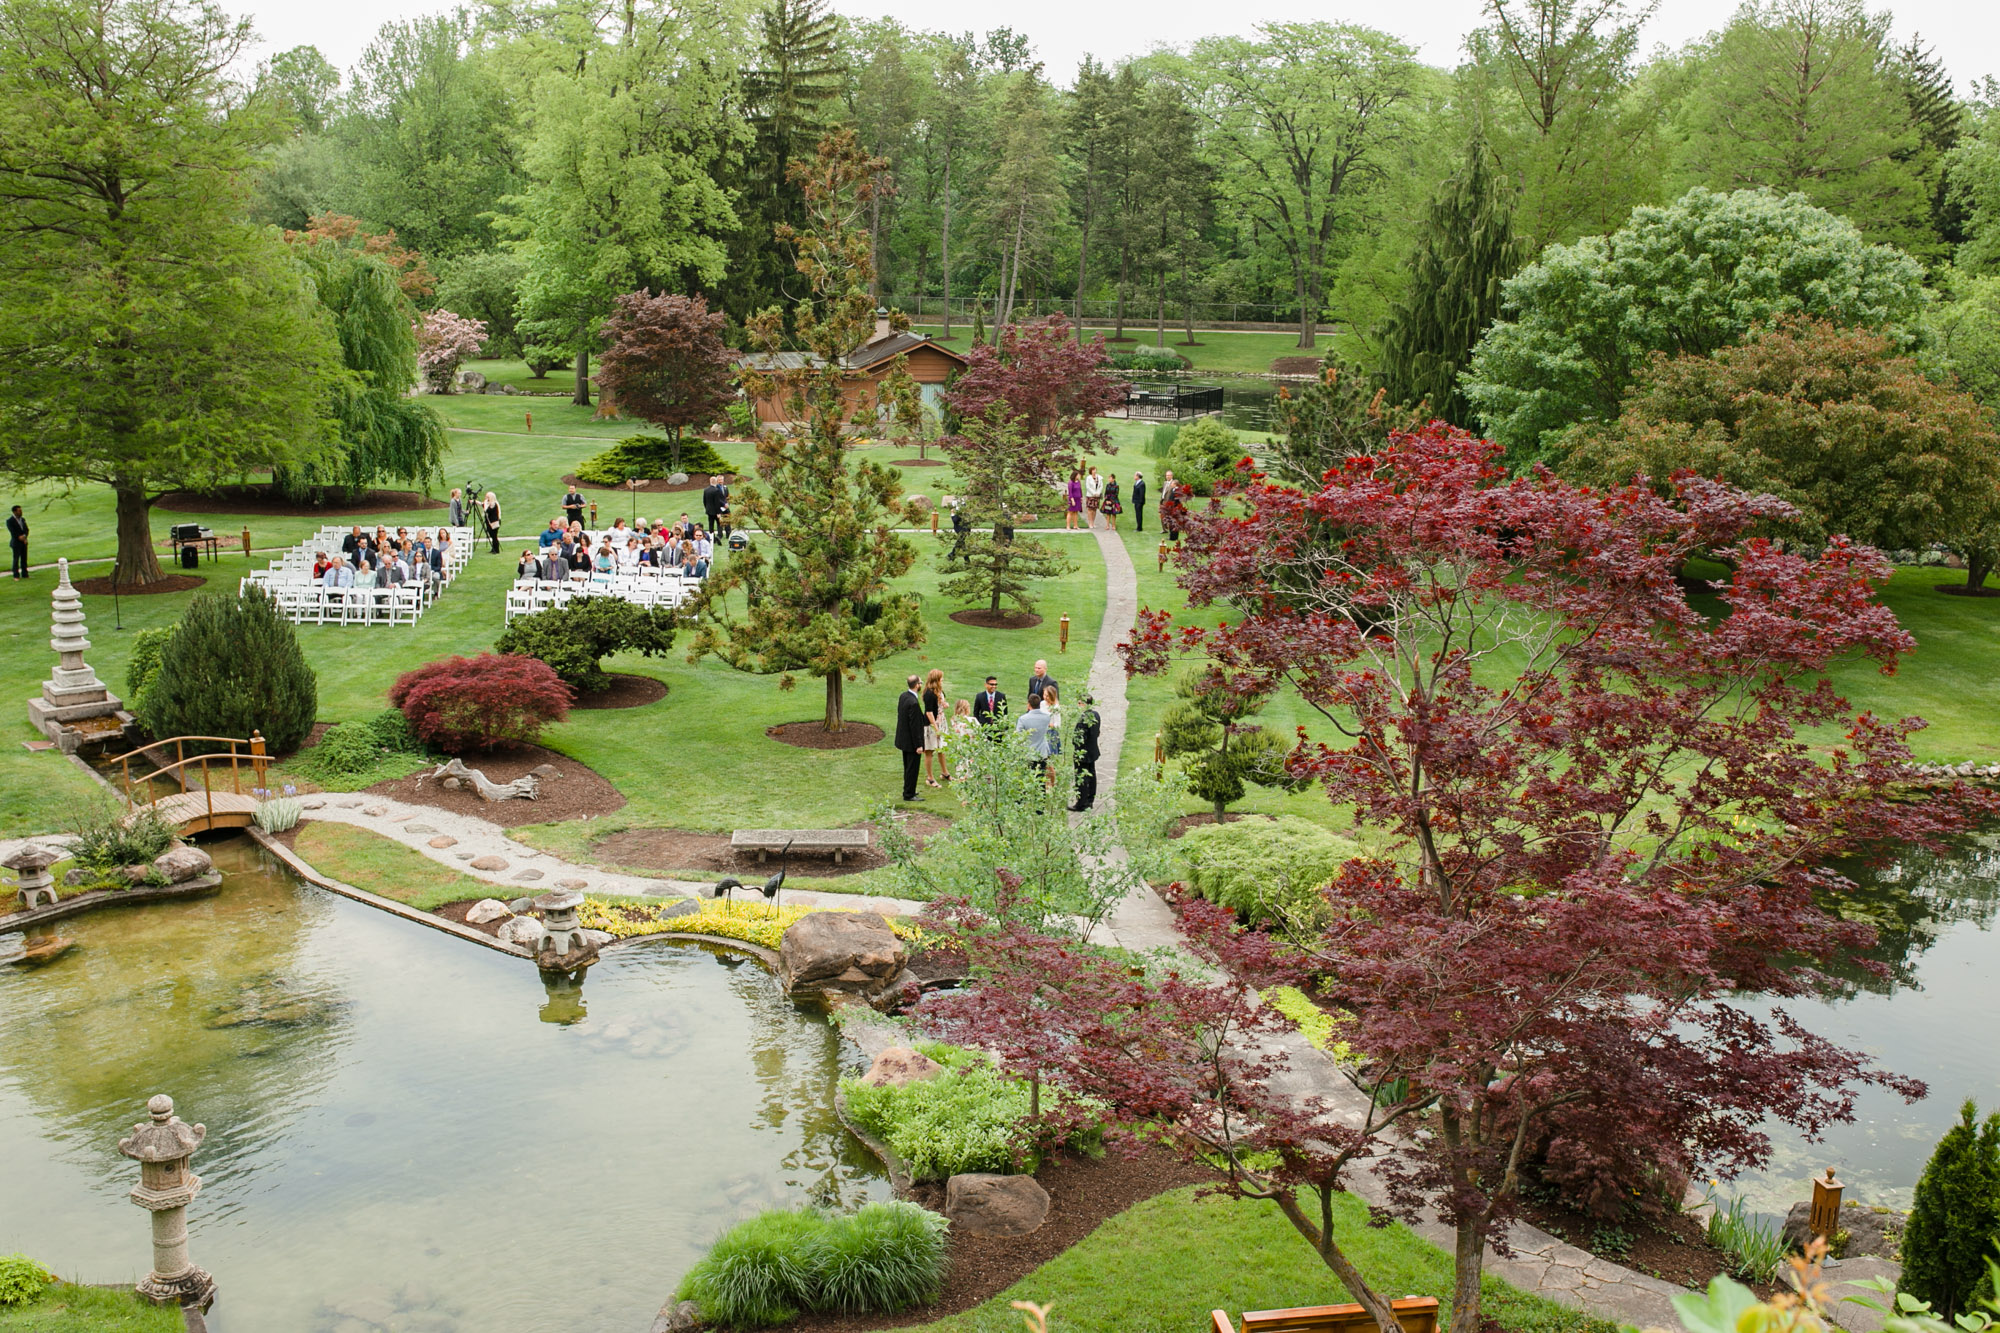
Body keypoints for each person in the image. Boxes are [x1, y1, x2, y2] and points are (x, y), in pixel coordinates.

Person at [895, 674, 927, 802]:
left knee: (908, 767)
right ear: (917, 685)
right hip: (911, 742)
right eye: (920, 683)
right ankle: (909, 794)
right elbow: (915, 726)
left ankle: (909, 790)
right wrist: (919, 745)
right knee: (912, 769)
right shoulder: (913, 702)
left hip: (904, 740)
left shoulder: (904, 696)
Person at [1070, 692, 1103, 811]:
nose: (1078, 705)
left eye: (1080, 703)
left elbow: (1078, 738)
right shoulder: (1096, 715)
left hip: (1083, 752)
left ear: (1084, 704)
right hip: (1092, 749)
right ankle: (1090, 800)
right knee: (1092, 774)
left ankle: (1081, 803)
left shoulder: (1083, 719)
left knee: (1081, 777)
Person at [1014, 690, 1056, 779]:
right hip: (1042, 753)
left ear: (1028, 704)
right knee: (1040, 779)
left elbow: (1018, 736)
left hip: (1028, 754)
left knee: (1027, 779)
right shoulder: (1046, 717)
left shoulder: (1023, 719)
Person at [921, 668, 951, 787]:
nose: (942, 680)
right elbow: (929, 712)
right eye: (941, 678)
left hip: (941, 721)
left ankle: (945, 772)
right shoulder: (929, 693)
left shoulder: (939, 690)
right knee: (930, 751)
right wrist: (936, 728)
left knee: (942, 748)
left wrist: (945, 704)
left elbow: (940, 703)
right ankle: (930, 778)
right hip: (932, 724)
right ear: (936, 679)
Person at [7, 505, 27, 579]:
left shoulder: (22, 519)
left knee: (24, 558)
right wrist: (19, 537)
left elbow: (26, 529)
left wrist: (24, 537)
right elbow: (13, 531)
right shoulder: (10, 521)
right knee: (16, 559)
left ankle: (25, 574)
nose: (21, 512)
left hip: (23, 542)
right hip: (16, 543)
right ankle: (16, 575)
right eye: (19, 511)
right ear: (14, 512)